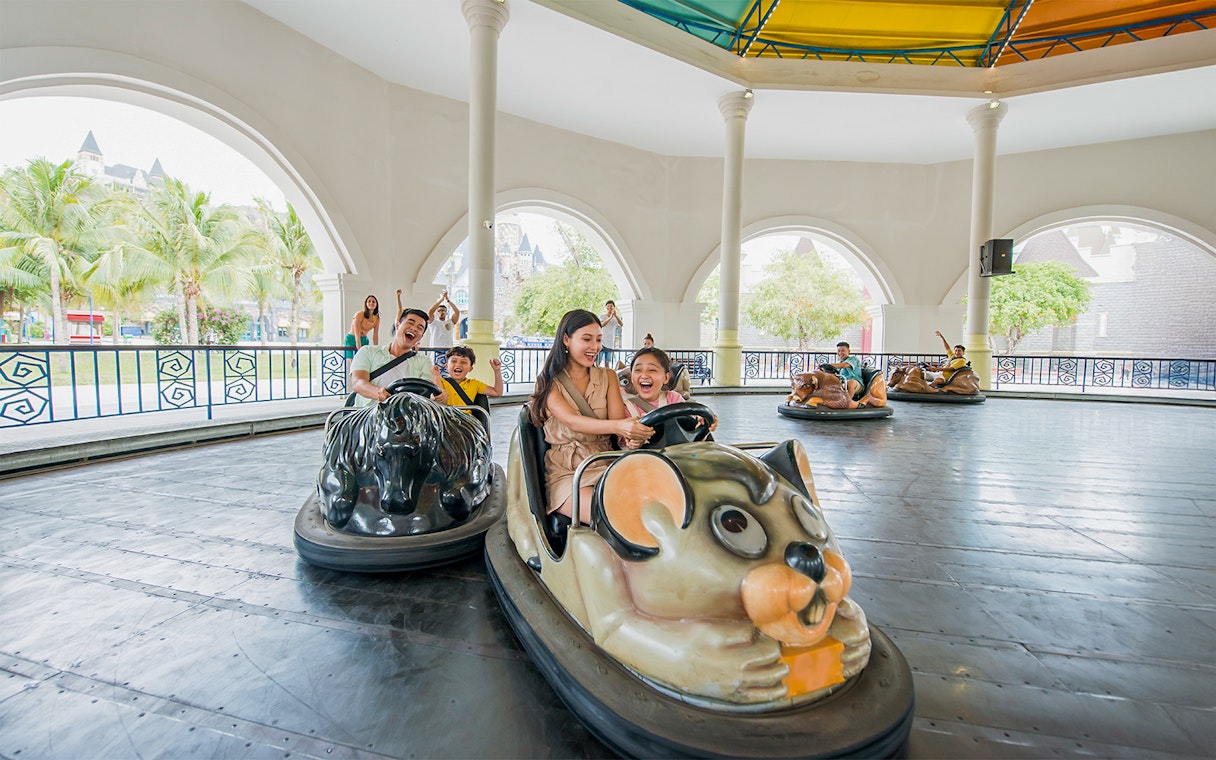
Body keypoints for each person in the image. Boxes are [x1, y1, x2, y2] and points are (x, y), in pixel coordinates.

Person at [530, 309, 652, 521]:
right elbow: (572, 421)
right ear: (566, 339)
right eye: (586, 339)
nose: (595, 347)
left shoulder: (608, 377)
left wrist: (631, 438)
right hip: (569, 472)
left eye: (598, 340)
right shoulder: (549, 382)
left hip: (606, 462)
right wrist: (619, 427)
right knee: (614, 514)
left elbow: (618, 423)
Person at [349, 307, 447, 406]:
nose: (414, 328)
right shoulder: (368, 352)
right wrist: (378, 392)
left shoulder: (424, 361)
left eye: (420, 327)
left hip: (406, 416)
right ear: (397, 325)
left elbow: (427, 391)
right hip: (369, 414)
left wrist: (439, 396)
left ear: (421, 337)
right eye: (410, 322)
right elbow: (358, 382)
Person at [623, 347, 717, 431]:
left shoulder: (673, 399)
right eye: (638, 370)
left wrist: (701, 420)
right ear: (632, 377)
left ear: (666, 378)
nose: (644, 375)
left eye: (652, 370)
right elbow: (624, 444)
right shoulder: (627, 407)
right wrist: (634, 442)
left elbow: (690, 425)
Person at [598, 300, 624, 366]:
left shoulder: (616, 317)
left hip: (610, 343)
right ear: (606, 307)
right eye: (608, 306)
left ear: (614, 307)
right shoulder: (602, 316)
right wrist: (610, 318)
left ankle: (607, 375)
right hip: (602, 341)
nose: (609, 308)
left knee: (607, 362)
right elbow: (601, 325)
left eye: (611, 306)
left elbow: (621, 324)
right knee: (598, 360)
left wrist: (615, 316)